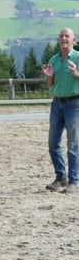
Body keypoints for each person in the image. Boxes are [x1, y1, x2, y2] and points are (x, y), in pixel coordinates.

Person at [42, 27, 79, 194]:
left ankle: (73, 181)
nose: (63, 38)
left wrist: (76, 73)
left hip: (74, 105)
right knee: (52, 143)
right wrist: (49, 76)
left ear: (74, 40)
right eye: (61, 36)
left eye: (67, 36)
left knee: (73, 144)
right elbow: (50, 85)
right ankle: (60, 178)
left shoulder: (78, 58)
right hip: (57, 104)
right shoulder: (54, 60)